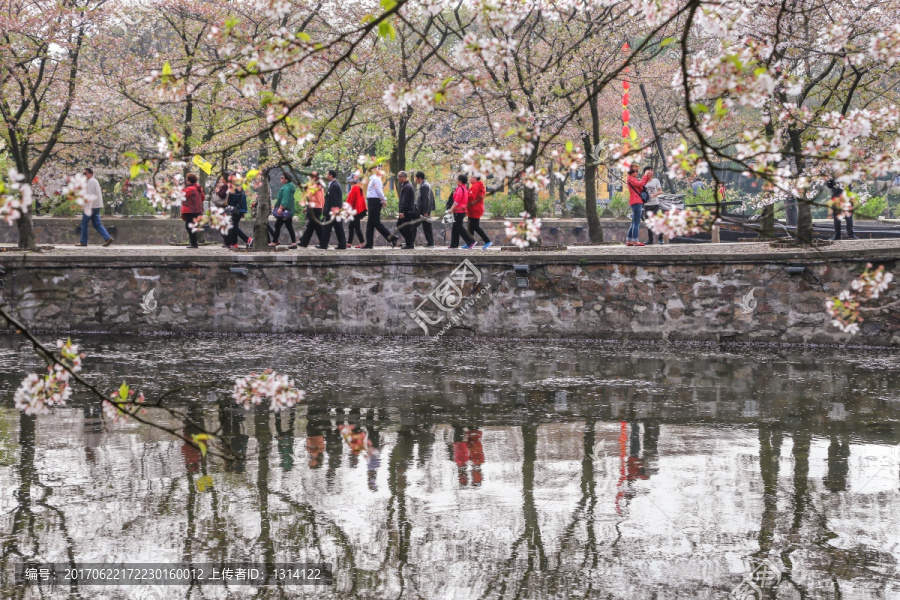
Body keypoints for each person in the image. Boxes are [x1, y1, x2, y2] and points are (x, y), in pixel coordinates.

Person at [75, 167, 113, 247]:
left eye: (85, 173)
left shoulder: (91, 182)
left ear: (90, 174)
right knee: (97, 224)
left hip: (91, 207)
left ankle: (83, 241)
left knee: (84, 224)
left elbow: (90, 195)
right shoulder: (93, 181)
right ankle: (107, 238)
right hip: (96, 206)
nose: (84, 175)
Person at [364, 169, 394, 248]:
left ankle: (392, 237)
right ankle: (369, 243)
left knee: (376, 223)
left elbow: (379, 191)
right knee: (370, 224)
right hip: (373, 201)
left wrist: (383, 199)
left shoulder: (375, 179)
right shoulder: (374, 179)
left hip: (374, 201)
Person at [319, 169, 348, 250]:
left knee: (328, 228)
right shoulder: (333, 185)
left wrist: (330, 211)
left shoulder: (334, 186)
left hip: (333, 211)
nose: (326, 175)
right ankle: (341, 244)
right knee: (337, 228)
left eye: (327, 174)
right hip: (334, 211)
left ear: (331, 175)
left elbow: (334, 200)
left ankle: (324, 244)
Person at [626, 164, 651, 247]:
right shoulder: (631, 179)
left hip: (635, 201)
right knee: (636, 222)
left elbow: (642, 185)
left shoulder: (632, 179)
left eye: (637, 171)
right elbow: (640, 184)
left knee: (633, 222)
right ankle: (635, 240)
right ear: (631, 172)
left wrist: (647, 176)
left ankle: (629, 240)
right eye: (635, 171)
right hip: (636, 201)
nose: (637, 172)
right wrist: (645, 175)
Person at [270, 173, 297, 248]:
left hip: (284, 210)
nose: (280, 179)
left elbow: (285, 198)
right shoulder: (288, 186)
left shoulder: (286, 188)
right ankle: (293, 243)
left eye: (282, 178)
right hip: (287, 210)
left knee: (278, 226)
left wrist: (280, 208)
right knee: (288, 226)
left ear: (286, 179)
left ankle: (274, 242)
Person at [298, 171, 325, 248]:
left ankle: (322, 242)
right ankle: (304, 241)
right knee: (312, 226)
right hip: (318, 208)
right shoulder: (321, 187)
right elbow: (322, 199)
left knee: (313, 226)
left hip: (313, 208)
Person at [450, 174, 477, 249]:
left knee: (459, 227)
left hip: (459, 211)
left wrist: (451, 208)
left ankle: (471, 241)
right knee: (455, 227)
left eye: (458, 180)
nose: (457, 181)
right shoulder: (465, 189)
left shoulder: (460, 189)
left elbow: (457, 200)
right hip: (462, 211)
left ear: (460, 181)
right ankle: (454, 245)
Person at [225, 175, 252, 248]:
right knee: (234, 225)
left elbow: (233, 200)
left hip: (236, 209)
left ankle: (247, 239)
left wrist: (229, 204)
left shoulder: (235, 188)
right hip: (240, 209)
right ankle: (234, 243)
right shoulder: (240, 187)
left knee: (234, 226)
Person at [467, 175, 492, 249]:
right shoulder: (477, 186)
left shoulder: (476, 187)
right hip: (474, 208)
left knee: (475, 226)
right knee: (470, 226)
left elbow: (471, 197)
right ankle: (470, 243)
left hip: (475, 209)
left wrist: (465, 197)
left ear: (475, 179)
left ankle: (487, 241)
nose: (469, 179)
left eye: (471, 177)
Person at [181, 173, 205, 248]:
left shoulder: (190, 189)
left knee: (189, 226)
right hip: (198, 210)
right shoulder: (199, 188)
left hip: (190, 210)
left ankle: (194, 243)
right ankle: (194, 242)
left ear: (188, 181)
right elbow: (203, 198)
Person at [396, 171, 417, 249]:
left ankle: (410, 243)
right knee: (401, 226)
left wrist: (402, 211)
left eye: (399, 177)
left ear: (404, 177)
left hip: (407, 211)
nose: (398, 178)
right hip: (407, 211)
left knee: (405, 227)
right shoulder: (405, 186)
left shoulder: (407, 187)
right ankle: (410, 241)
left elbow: (405, 201)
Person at [641, 167, 663, 245]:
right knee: (649, 223)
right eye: (649, 171)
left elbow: (660, 191)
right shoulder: (643, 182)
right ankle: (650, 240)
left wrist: (653, 195)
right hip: (647, 205)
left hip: (655, 204)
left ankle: (661, 237)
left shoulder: (656, 181)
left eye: (652, 171)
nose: (652, 173)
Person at [346, 174, 367, 247]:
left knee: (357, 227)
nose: (349, 182)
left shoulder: (354, 188)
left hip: (355, 211)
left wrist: (348, 210)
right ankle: (349, 243)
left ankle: (362, 243)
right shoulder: (359, 187)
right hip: (357, 210)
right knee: (351, 227)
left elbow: (352, 200)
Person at [415, 171, 435, 247]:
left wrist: (425, 211)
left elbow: (426, 199)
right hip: (425, 210)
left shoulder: (424, 186)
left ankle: (430, 242)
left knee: (423, 226)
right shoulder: (426, 184)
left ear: (419, 178)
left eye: (416, 178)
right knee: (427, 226)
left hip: (423, 210)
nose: (415, 180)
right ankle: (430, 242)